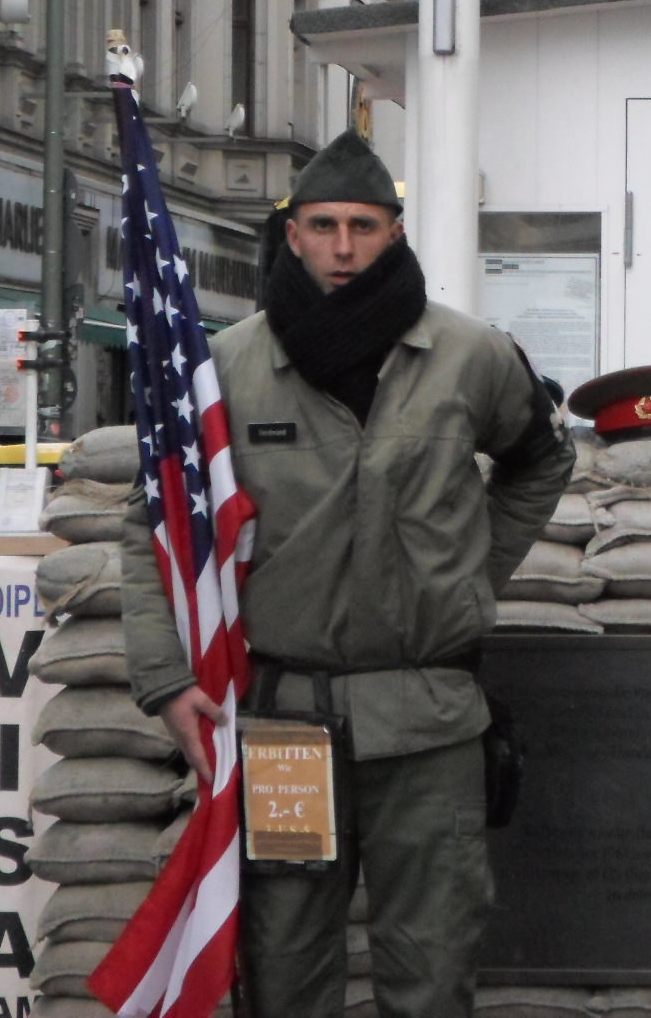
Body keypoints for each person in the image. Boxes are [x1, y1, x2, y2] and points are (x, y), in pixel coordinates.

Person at [122, 129, 574, 1018]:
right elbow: (159, 525)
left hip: (429, 731)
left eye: (363, 226)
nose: (341, 247)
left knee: (432, 968)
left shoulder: (469, 356)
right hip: (287, 724)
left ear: (395, 233)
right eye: (322, 225)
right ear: (290, 235)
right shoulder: (229, 368)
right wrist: (165, 679)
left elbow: (540, 460)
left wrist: (473, 571)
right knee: (284, 970)